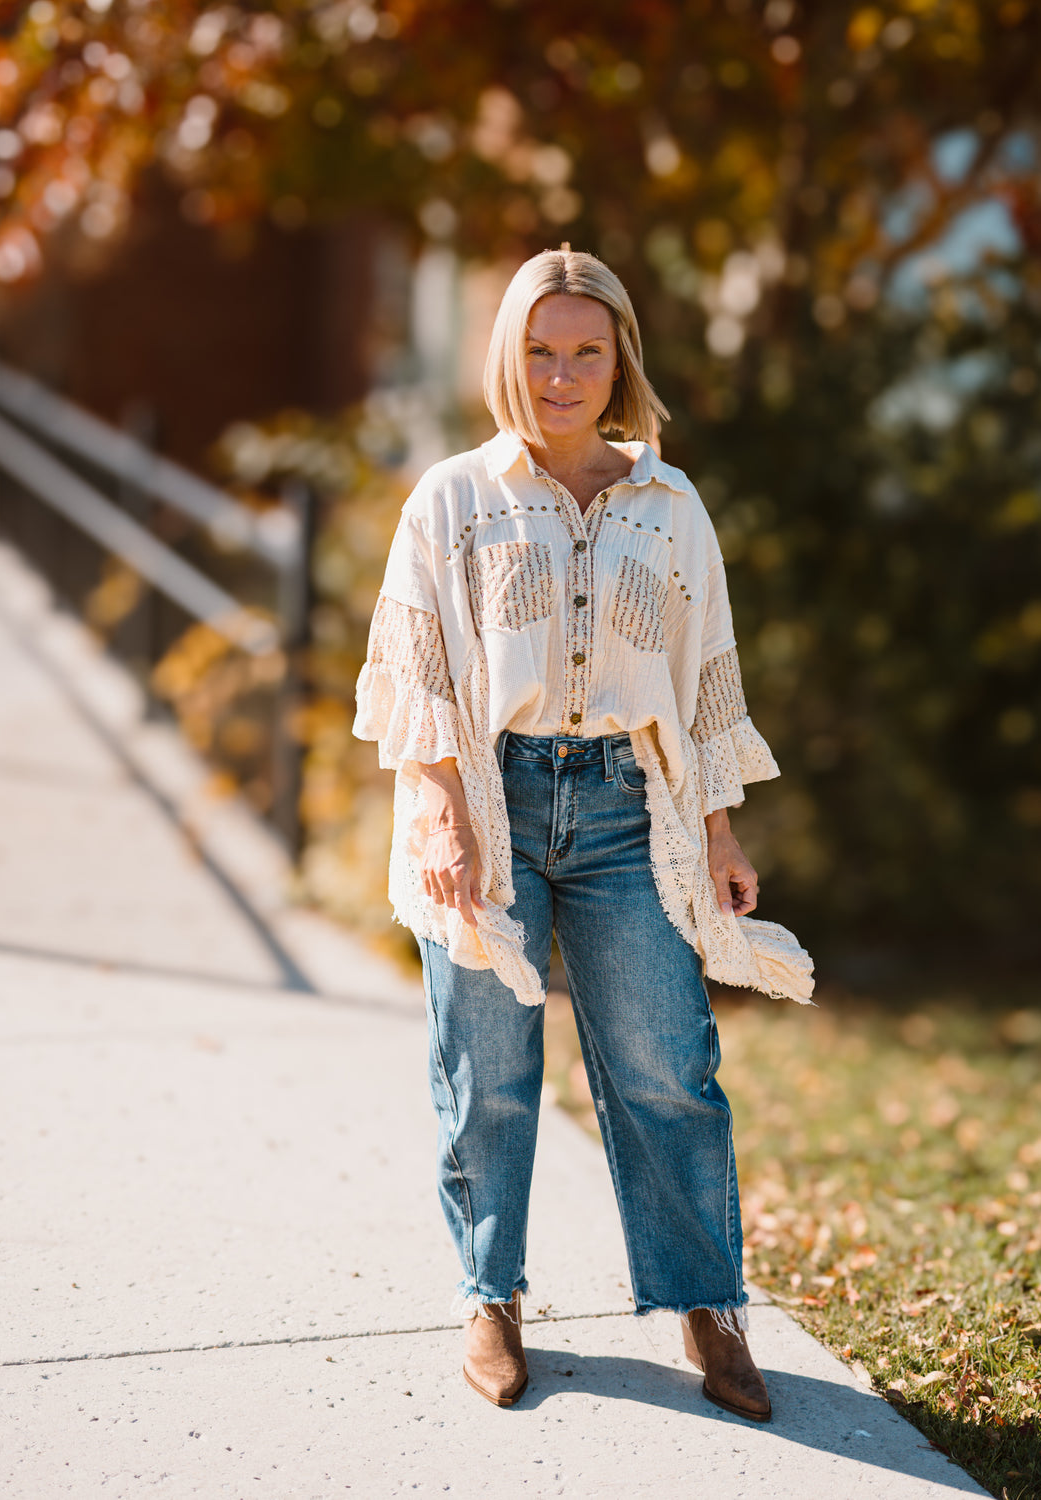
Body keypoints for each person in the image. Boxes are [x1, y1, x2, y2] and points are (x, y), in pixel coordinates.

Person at [353, 246, 813, 1418]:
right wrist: (447, 809)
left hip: (629, 808)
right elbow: (416, 669)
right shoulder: (455, 496)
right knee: (488, 1072)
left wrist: (719, 832)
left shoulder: (672, 504)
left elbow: (707, 678)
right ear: (510, 356)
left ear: (620, 362)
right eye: (541, 351)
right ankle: (489, 1297)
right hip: (489, 801)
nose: (562, 375)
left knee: (669, 1067)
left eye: (586, 353)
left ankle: (707, 1304)